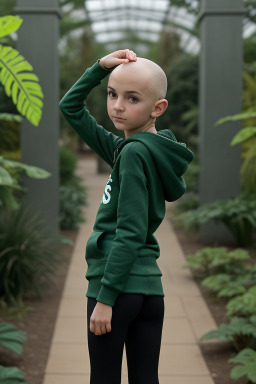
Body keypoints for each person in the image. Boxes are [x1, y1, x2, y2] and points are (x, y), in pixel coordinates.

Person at [59, 49, 194, 384]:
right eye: (111, 94)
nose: (117, 106)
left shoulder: (132, 154)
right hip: (150, 291)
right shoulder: (132, 149)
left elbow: (130, 232)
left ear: (157, 108)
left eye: (131, 98)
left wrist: (106, 298)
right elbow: (70, 109)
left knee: (103, 378)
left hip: (116, 289)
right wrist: (101, 68)